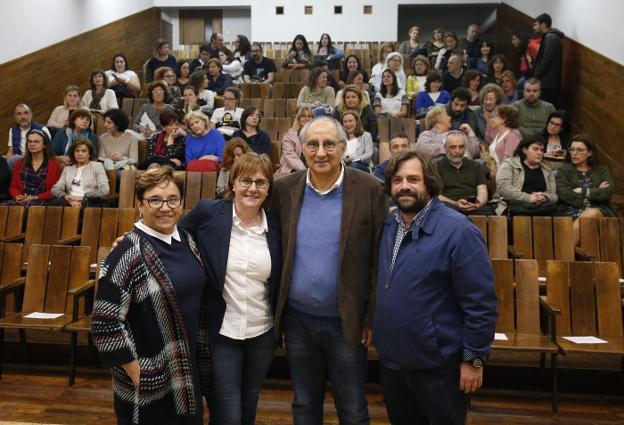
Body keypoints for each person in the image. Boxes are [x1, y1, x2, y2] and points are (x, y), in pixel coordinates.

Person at [271, 116, 387, 425]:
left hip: (346, 322)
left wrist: (369, 317)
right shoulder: (284, 189)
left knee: (352, 408)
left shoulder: (371, 189)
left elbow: (379, 261)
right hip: (297, 321)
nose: (321, 152)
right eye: (313, 144)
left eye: (329, 144)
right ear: (303, 149)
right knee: (305, 405)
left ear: (343, 146)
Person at [374, 149, 497, 425]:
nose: (404, 186)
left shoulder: (459, 231)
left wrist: (474, 358)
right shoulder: (388, 225)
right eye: (397, 180)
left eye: (413, 179)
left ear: (429, 183)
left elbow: (481, 303)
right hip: (394, 362)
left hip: (439, 368)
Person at [92, 166, 209, 425]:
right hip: (149, 379)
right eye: (155, 199)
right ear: (140, 205)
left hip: (185, 371)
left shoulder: (187, 239)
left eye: (172, 199)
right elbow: (104, 323)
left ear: (181, 203)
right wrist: (137, 371)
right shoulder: (126, 254)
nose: (165, 207)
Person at [181, 153, 281, 424]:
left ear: (269, 188)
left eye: (260, 182)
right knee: (228, 414)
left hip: (262, 332)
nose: (252, 188)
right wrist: (133, 238)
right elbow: (170, 237)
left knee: (249, 407)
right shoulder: (208, 213)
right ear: (233, 183)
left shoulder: (276, 226)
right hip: (223, 330)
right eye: (246, 180)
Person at [556, 134, 616, 242]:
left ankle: (563, 252)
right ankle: (566, 252)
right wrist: (596, 191)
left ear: (589, 153)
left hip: (600, 211)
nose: (574, 153)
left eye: (579, 150)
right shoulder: (563, 171)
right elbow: (565, 194)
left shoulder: (602, 170)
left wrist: (583, 191)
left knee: (592, 213)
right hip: (570, 211)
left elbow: (607, 193)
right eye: (572, 149)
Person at [495, 135, 557, 216]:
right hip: (515, 207)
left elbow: (554, 196)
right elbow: (504, 189)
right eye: (535, 149)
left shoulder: (546, 169)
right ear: (525, 150)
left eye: (542, 150)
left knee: (562, 219)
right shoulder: (510, 164)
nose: (539, 153)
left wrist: (545, 197)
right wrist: (529, 198)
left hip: (541, 208)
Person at [438, 130, 492, 215]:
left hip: (474, 206)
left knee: (489, 212)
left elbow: (482, 191)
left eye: (461, 147)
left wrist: (478, 203)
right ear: (445, 147)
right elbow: (436, 196)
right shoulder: (436, 167)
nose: (457, 151)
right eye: (453, 147)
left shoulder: (476, 166)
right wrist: (455, 203)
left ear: (465, 147)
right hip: (449, 207)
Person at [5, 129, 61, 207]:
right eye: (29, 141)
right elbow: (13, 186)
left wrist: (35, 197)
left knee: (29, 207)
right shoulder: (19, 163)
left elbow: (54, 191)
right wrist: (18, 196)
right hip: (21, 200)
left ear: (45, 145)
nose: (32, 144)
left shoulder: (54, 165)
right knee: (4, 207)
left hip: (41, 201)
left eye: (36, 142)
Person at [50, 139, 109, 207]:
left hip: (88, 201)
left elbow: (105, 190)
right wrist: (66, 196)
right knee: (54, 202)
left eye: (84, 151)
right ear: (73, 153)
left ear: (89, 154)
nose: (80, 154)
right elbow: (56, 188)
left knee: (90, 204)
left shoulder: (97, 166)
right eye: (77, 151)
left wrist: (83, 198)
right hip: (70, 202)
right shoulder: (68, 169)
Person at [532, 13, 564, 105]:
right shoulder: (551, 36)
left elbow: (547, 59)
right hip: (548, 82)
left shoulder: (550, 37)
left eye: (536, 24)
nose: (533, 27)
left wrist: (536, 75)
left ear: (543, 24)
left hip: (547, 84)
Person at [7, 104, 50, 168]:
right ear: (15, 117)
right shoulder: (12, 130)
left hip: (36, 161)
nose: (23, 117)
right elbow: (10, 150)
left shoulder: (42, 129)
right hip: (18, 161)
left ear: (31, 115)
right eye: (19, 114)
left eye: (26, 113)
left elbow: (48, 150)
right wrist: (8, 161)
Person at [276, 106, 313, 178]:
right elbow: (290, 156)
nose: (307, 119)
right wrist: (305, 171)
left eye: (309, 116)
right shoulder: (289, 136)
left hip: (312, 169)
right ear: (298, 119)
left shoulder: (317, 136)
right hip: (292, 170)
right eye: (303, 116)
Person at [489, 104, 523, 171]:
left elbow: (508, 161)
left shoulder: (513, 136)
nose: (492, 119)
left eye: (495, 116)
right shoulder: (497, 134)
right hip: (496, 174)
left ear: (503, 119)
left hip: (507, 175)